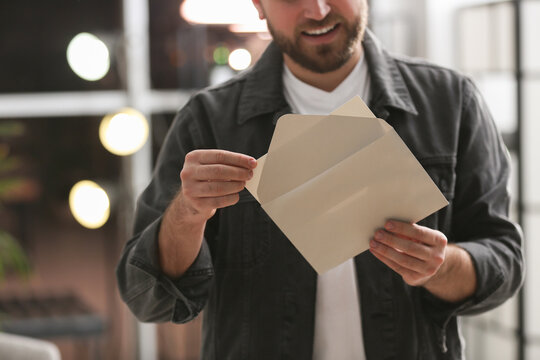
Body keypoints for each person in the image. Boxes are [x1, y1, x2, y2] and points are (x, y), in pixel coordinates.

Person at [116, 0, 524, 359]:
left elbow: (504, 260)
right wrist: (188, 213)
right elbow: (147, 298)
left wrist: (441, 266)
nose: (318, 9)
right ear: (258, 5)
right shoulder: (208, 120)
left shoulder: (451, 102)